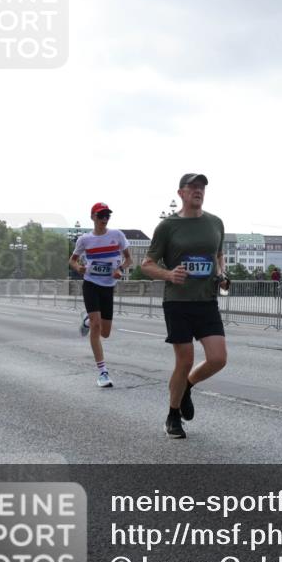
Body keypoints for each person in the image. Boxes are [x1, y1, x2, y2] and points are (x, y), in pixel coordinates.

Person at [142, 173, 229, 439]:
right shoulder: (167, 226)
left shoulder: (215, 223)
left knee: (218, 359)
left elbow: (218, 255)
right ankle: (172, 415)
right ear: (181, 193)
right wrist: (168, 274)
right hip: (177, 302)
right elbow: (147, 264)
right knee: (185, 360)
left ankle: (188, 385)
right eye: (192, 187)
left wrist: (222, 274)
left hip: (207, 301)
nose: (198, 190)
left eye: (201, 187)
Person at [69, 203, 132, 388]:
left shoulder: (117, 235)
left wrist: (120, 269)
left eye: (107, 215)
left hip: (108, 287)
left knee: (105, 333)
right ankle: (103, 372)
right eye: (101, 215)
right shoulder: (84, 239)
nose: (104, 218)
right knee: (97, 326)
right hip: (91, 284)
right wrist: (78, 267)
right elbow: (72, 260)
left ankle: (87, 321)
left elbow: (129, 259)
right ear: (93, 217)